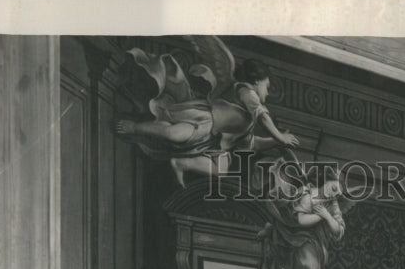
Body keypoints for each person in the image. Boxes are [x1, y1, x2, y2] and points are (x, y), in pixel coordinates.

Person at [116, 43, 300, 187]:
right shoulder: (246, 92)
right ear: (257, 81)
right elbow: (263, 116)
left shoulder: (247, 123)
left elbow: (253, 143)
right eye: (266, 87)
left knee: (221, 170)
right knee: (173, 134)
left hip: (214, 140)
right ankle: (136, 126)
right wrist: (280, 136)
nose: (267, 93)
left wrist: (274, 141)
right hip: (204, 119)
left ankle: (181, 164)